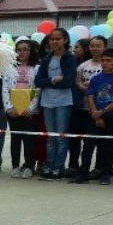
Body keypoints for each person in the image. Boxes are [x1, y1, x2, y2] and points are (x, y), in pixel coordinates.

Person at [35, 29, 78, 180]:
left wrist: (52, 82)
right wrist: (53, 80)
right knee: (51, 136)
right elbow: (38, 81)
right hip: (47, 102)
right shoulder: (47, 59)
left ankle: (59, 168)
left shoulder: (69, 58)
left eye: (58, 38)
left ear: (65, 40)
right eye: (52, 39)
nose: (54, 41)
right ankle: (49, 165)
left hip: (63, 101)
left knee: (60, 136)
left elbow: (67, 82)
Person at [82, 48, 113, 185]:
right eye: (103, 60)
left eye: (108, 61)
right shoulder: (95, 79)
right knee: (88, 145)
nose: (105, 63)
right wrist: (96, 114)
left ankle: (105, 174)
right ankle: (83, 173)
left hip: (112, 117)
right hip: (95, 116)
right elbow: (90, 96)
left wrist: (102, 112)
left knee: (108, 146)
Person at [5, 39, 41, 178]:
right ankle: (15, 166)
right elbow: (5, 89)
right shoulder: (9, 67)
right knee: (15, 138)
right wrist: (9, 108)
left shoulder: (37, 68)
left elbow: (37, 90)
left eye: (25, 49)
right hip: (13, 109)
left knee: (28, 139)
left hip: (28, 110)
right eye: (19, 49)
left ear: (31, 51)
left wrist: (30, 108)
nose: (22, 52)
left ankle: (29, 166)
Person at [69, 37, 103, 182]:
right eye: (92, 46)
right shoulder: (82, 66)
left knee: (97, 142)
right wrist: (85, 88)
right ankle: (76, 168)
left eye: (98, 46)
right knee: (76, 139)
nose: (95, 48)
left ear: (104, 47)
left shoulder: (108, 65)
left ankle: (99, 169)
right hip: (82, 107)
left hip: (100, 110)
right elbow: (77, 82)